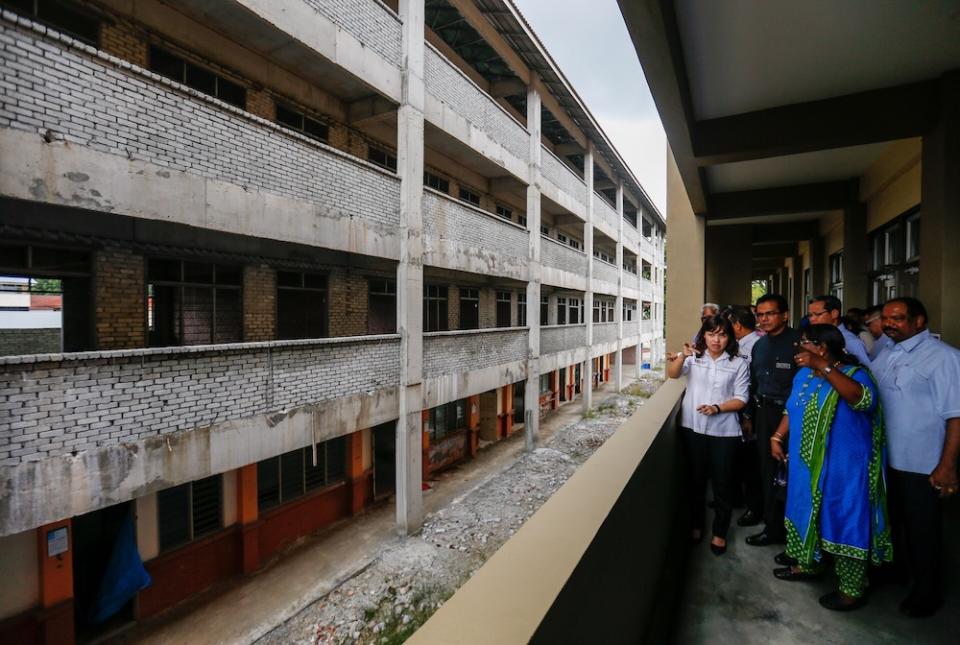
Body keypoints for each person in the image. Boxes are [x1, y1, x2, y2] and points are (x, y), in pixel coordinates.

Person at [769, 324, 892, 611]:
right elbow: (792, 408)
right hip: (805, 464)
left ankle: (851, 589)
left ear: (822, 348)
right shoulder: (803, 375)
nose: (798, 347)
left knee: (844, 519)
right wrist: (777, 436)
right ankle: (808, 565)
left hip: (843, 469)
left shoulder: (855, 374)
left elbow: (862, 401)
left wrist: (823, 367)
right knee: (804, 510)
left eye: (805, 343)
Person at [872, 297, 960, 617]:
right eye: (885, 318)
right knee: (893, 524)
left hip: (922, 463)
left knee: (923, 531)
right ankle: (895, 571)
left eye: (897, 318)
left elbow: (956, 416)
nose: (889, 324)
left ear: (919, 321)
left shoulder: (944, 358)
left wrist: (948, 465)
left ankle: (927, 592)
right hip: (886, 459)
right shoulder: (886, 353)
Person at [667, 315, 750, 556]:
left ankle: (720, 532)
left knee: (723, 484)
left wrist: (717, 408)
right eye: (711, 334)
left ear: (729, 338)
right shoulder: (694, 358)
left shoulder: (738, 363)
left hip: (723, 431)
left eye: (722, 335)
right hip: (692, 428)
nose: (716, 340)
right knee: (695, 481)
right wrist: (682, 355)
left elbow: (741, 398)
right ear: (703, 335)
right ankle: (696, 525)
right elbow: (673, 374)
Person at [744, 294, 802, 548]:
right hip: (764, 413)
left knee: (794, 474)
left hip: (792, 416)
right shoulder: (760, 345)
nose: (764, 319)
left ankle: (797, 534)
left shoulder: (799, 343)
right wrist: (749, 415)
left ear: (785, 315)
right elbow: (754, 383)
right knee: (767, 470)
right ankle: (772, 526)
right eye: (760, 314)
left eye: (770, 314)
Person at [728, 306, 762, 527]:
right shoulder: (743, 344)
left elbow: (753, 383)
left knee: (752, 463)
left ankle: (754, 508)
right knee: (741, 459)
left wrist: (747, 415)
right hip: (742, 408)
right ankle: (738, 499)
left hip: (751, 409)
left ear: (737, 326)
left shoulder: (756, 346)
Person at [806, 295, 871, 367]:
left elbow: (865, 371)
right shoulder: (814, 337)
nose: (811, 319)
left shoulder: (850, 341)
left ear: (834, 313)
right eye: (810, 315)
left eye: (817, 314)